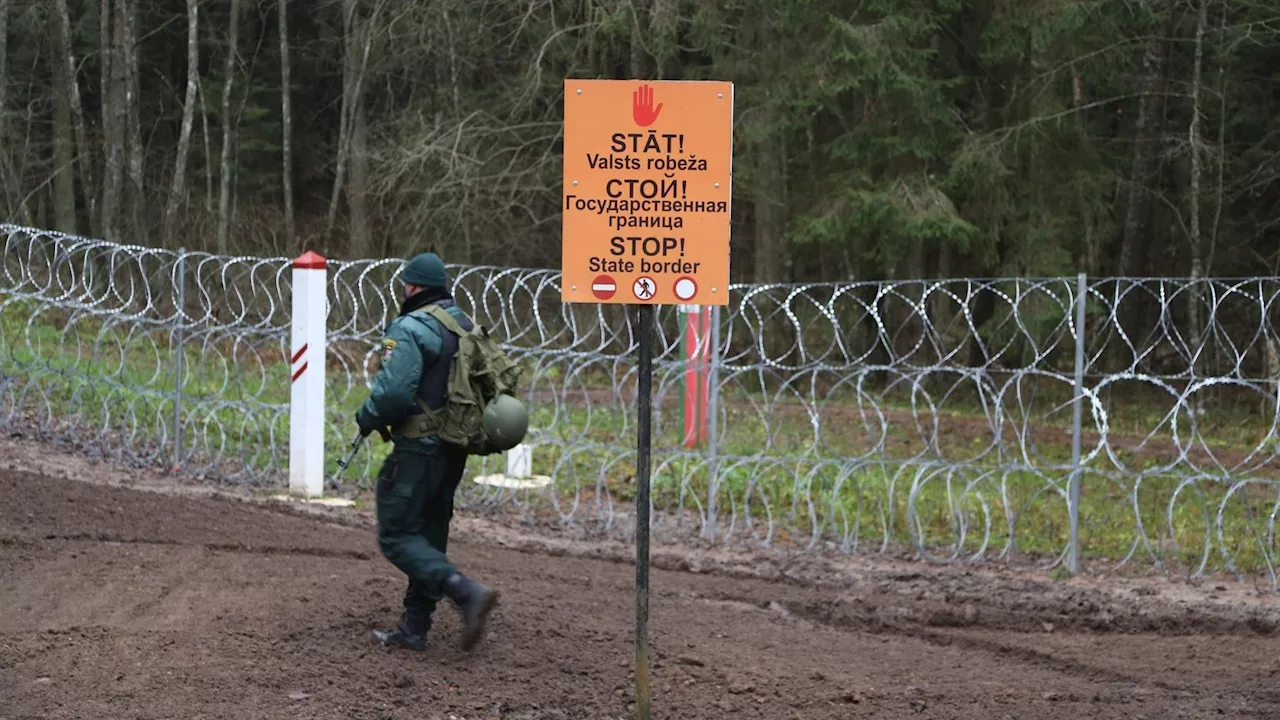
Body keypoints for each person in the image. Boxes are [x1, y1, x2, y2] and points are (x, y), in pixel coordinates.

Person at [355, 251, 499, 653]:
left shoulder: (410, 327)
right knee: (430, 536)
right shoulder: (464, 326)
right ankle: (414, 627)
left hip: (418, 448)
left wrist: (367, 415)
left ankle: (466, 592)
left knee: (398, 534)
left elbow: (393, 393)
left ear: (412, 287)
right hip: (454, 447)